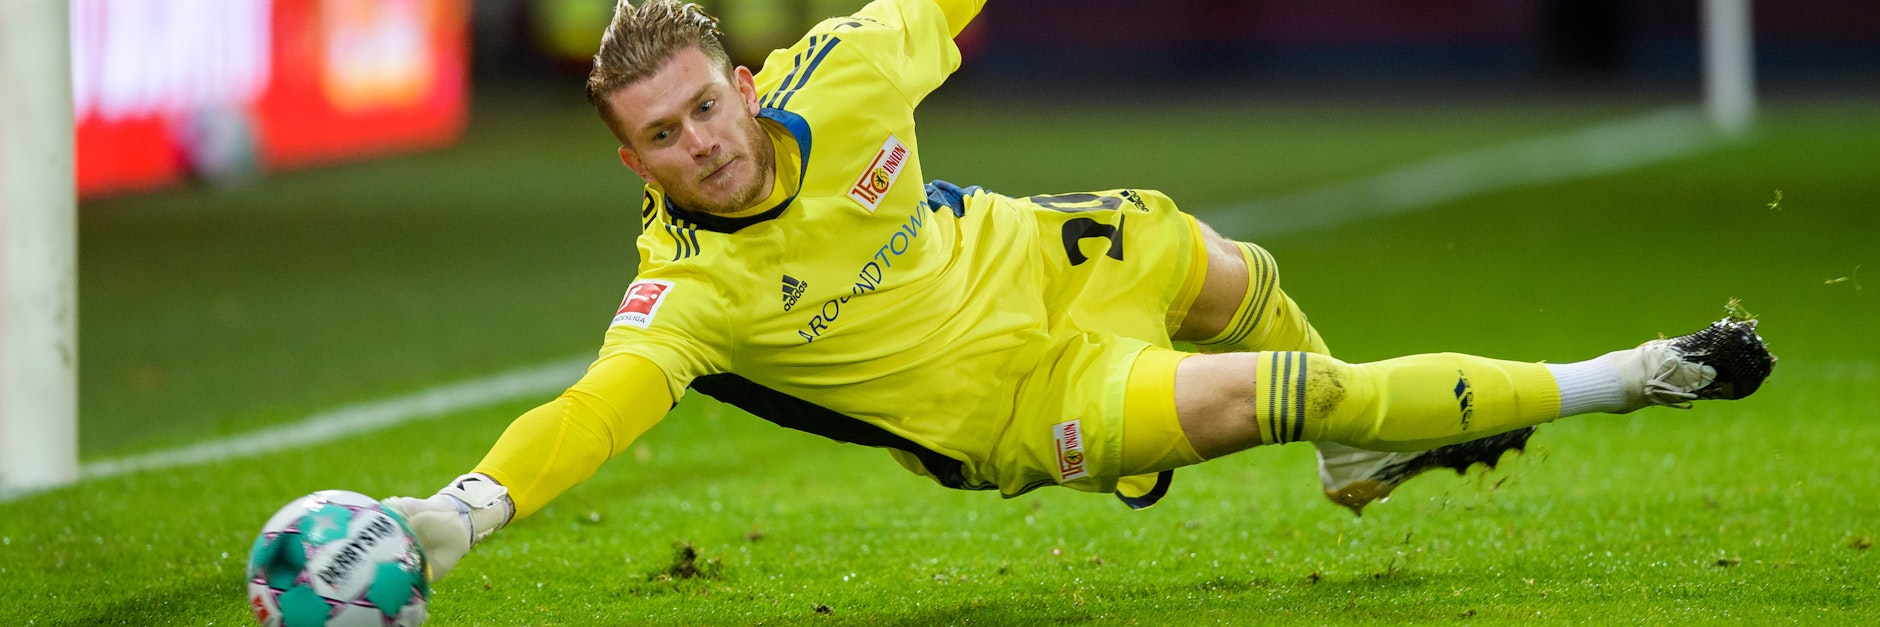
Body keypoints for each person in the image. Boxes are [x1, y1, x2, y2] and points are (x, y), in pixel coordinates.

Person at [384, 0, 1774, 583]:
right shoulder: (687, 290)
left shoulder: (850, 66)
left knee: (1232, 271)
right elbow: (597, 408)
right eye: (664, 139)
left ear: (739, 83)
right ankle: (1640, 373)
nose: (703, 148)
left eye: (704, 109)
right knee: (1277, 391)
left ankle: (1363, 453)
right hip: (1028, 399)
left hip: (1043, 252)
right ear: (632, 157)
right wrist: (463, 513)